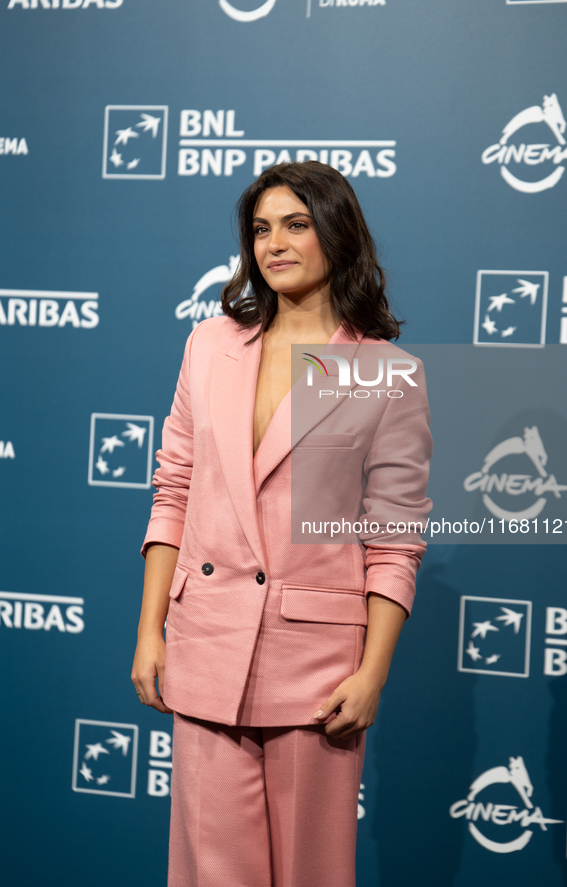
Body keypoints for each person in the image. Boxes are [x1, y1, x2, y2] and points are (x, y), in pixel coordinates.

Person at [131, 161, 432, 887]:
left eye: (295, 224)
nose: (274, 243)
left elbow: (394, 541)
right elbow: (172, 490)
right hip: (206, 649)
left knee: (312, 875)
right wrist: (150, 630)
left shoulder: (387, 371)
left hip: (317, 672)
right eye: (261, 229)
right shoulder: (208, 345)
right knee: (212, 875)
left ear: (336, 232)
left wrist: (372, 675)